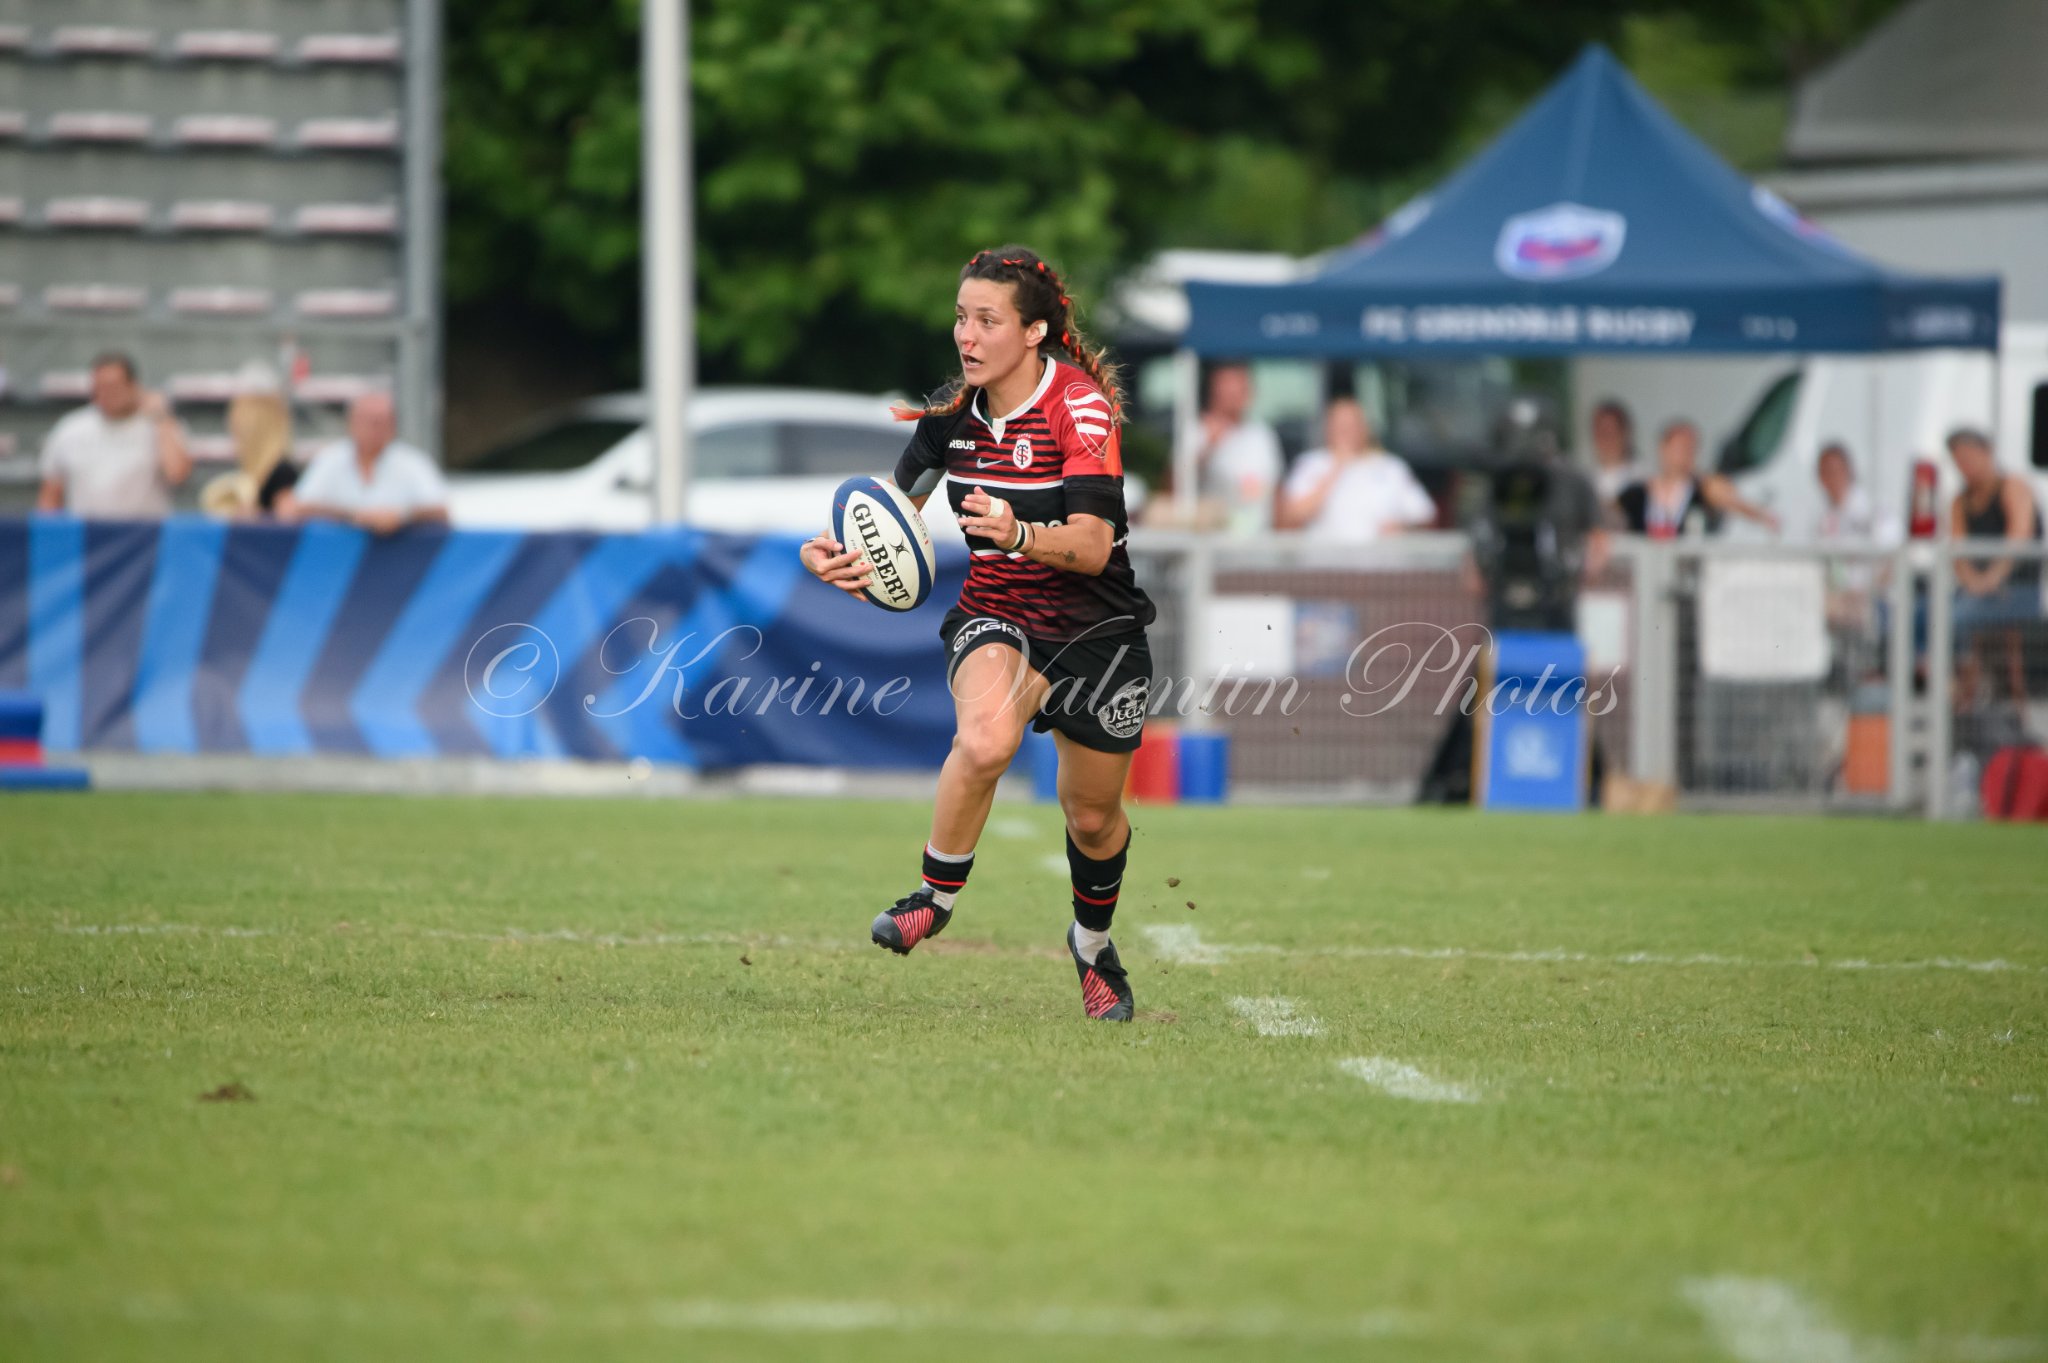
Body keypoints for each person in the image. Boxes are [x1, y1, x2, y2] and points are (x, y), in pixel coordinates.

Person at [799, 246, 1154, 1022]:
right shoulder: (952, 420)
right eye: (962, 316)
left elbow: (1093, 545)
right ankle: (934, 894)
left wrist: (1020, 530)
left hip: (1099, 628)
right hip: (998, 614)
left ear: (1033, 332)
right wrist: (832, 556)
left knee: (1092, 817)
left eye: (987, 320)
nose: (967, 334)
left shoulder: (1081, 410)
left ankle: (1093, 948)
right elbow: (890, 517)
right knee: (987, 738)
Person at [36, 351, 193, 517]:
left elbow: (177, 475)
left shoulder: (162, 425)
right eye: (99, 387)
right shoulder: (70, 428)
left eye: (113, 386)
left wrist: (161, 418)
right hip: (87, 535)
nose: (106, 394)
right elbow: (50, 496)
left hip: (145, 536)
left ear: (134, 386)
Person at [1948, 427, 2041, 701]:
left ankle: (1965, 694)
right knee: (1930, 614)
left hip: (2017, 592)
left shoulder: (2013, 487)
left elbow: (2019, 538)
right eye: (1958, 460)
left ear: (1986, 453)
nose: (1964, 466)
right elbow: (1958, 554)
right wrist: (1973, 583)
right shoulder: (1960, 501)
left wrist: (1990, 579)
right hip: (1976, 593)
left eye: (1968, 457)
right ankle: (1958, 697)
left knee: (1958, 618)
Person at [1274, 396, 1436, 542]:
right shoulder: (1310, 463)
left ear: (1365, 427)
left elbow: (1426, 516)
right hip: (1325, 567)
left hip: (1381, 565)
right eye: (1340, 425)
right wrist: (1335, 470)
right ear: (1328, 428)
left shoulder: (1391, 467)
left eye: (1352, 424)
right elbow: (1290, 518)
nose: (1346, 431)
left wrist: (1402, 528)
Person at [290, 391, 448, 534]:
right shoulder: (329, 459)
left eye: (381, 422)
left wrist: (402, 516)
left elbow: (440, 511)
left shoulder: (414, 462)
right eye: (370, 421)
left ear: (393, 425)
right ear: (352, 422)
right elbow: (298, 508)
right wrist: (353, 516)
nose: (375, 429)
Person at [1615, 419, 1778, 537]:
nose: (1683, 454)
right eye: (1678, 447)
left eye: (1689, 448)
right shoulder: (1636, 493)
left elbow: (1732, 499)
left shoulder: (1702, 490)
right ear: (1662, 448)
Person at [1187, 361, 1282, 535]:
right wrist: (1208, 448)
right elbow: (1175, 484)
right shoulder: (1199, 431)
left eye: (1241, 385)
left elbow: (1275, 492)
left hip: (1259, 540)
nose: (1235, 393)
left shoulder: (1262, 434)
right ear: (1214, 390)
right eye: (1227, 385)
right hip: (1213, 542)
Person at [200, 380, 299, 519]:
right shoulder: (255, 473)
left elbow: (288, 521)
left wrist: (253, 516)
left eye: (239, 431)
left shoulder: (282, 472)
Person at [1587, 398, 1638, 513]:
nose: (1607, 439)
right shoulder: (1585, 479)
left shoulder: (1642, 478)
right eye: (1602, 432)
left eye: (1612, 432)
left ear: (1625, 433)